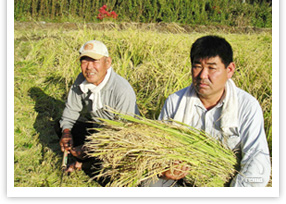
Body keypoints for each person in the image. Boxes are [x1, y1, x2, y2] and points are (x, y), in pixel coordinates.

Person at [147, 35, 271, 187]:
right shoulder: (175, 101)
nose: (202, 75)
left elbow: (256, 159)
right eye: (197, 66)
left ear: (229, 69)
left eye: (212, 68)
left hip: (226, 184)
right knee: (148, 184)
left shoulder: (246, 106)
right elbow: (158, 147)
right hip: (180, 182)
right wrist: (164, 169)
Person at [56, 40, 139, 174]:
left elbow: (123, 132)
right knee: (61, 127)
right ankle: (85, 159)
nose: (89, 67)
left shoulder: (122, 90)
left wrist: (92, 148)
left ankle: (84, 164)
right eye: (84, 61)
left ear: (108, 62)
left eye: (95, 61)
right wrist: (66, 133)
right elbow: (71, 110)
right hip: (98, 130)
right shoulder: (81, 81)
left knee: (118, 165)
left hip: (119, 139)